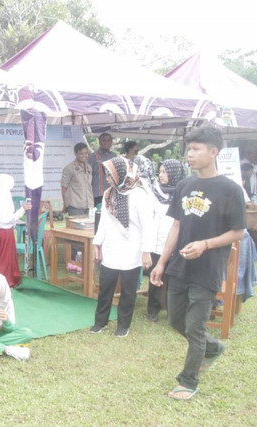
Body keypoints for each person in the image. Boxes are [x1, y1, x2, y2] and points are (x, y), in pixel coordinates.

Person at [150, 127, 245, 401]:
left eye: (196, 149)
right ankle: (213, 348)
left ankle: (188, 381)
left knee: (195, 327)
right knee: (176, 319)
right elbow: (177, 226)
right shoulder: (184, 185)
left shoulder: (230, 190)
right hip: (180, 265)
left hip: (208, 267)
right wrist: (161, 262)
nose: (190, 154)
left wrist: (206, 244)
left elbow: (238, 231)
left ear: (213, 152)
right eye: (189, 149)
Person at [91, 157, 154, 338]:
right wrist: (97, 243)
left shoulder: (140, 194)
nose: (108, 179)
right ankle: (100, 322)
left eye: (110, 175)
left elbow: (148, 225)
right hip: (111, 247)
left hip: (132, 248)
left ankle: (123, 325)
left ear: (121, 173)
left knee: (128, 290)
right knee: (106, 287)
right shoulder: (108, 194)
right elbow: (103, 221)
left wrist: (146, 251)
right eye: (107, 175)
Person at [144, 159, 186, 322]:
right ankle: (153, 310)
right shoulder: (154, 192)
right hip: (158, 241)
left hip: (177, 242)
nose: (161, 176)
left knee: (174, 278)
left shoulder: (183, 193)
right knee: (156, 276)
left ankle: (173, 311)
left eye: (164, 172)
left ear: (173, 174)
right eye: (159, 172)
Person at [0, 173, 29, 287]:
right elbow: (8, 219)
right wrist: (22, 209)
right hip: (5, 233)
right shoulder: (6, 198)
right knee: (5, 259)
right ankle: (5, 281)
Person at [61, 142, 94, 216]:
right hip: (75, 206)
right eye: (81, 153)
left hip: (88, 206)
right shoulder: (69, 168)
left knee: (88, 227)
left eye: (86, 153)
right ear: (75, 153)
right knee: (76, 227)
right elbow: (64, 188)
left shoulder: (89, 168)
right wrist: (65, 204)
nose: (84, 156)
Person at [88, 132, 116, 206]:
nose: (106, 142)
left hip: (112, 193)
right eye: (104, 140)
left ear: (111, 142)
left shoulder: (114, 156)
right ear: (100, 142)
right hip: (98, 193)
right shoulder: (93, 156)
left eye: (108, 140)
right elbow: (88, 175)